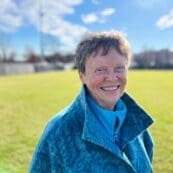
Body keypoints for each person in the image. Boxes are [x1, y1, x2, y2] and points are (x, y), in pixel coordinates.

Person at [29, 31, 154, 173]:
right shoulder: (58, 132)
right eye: (101, 70)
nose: (112, 78)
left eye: (119, 68)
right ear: (82, 75)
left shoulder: (139, 124)